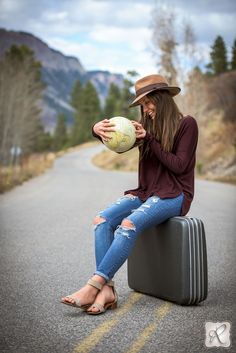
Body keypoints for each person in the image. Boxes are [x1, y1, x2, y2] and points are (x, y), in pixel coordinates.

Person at [61, 74, 198, 315]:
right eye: (142, 105)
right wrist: (96, 130)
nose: (145, 109)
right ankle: (108, 292)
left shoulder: (187, 124)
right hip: (147, 192)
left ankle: (93, 286)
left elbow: (179, 166)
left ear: (162, 98)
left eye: (148, 103)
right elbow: (120, 142)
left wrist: (151, 140)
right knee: (102, 221)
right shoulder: (145, 126)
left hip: (175, 194)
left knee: (128, 225)